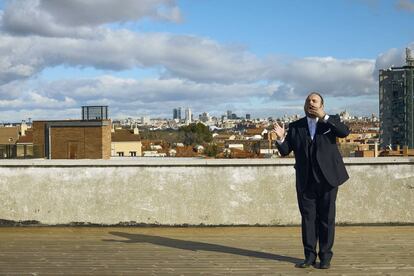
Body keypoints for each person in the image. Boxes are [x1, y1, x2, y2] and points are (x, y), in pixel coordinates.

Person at [273, 92, 350, 269]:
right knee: (308, 219)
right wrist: (280, 138)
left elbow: (344, 132)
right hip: (306, 180)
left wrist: (324, 116)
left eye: (314, 101)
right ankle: (309, 257)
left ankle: (325, 257)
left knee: (326, 219)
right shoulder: (296, 126)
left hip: (328, 179)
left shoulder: (331, 121)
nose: (310, 103)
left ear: (322, 105)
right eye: (308, 100)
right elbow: (285, 151)